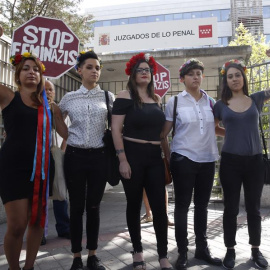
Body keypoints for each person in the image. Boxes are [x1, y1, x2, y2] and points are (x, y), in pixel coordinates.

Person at [0, 52, 67, 270]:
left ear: (41, 76)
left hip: (42, 169)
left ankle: (29, 266)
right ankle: (14, 267)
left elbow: (65, 134)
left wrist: (57, 113)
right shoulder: (9, 96)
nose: (32, 72)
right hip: (13, 168)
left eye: (36, 69)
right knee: (17, 225)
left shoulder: (48, 105)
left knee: (37, 221)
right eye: (26, 68)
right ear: (18, 75)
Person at [111, 52, 173, 270]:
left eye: (148, 70)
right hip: (132, 156)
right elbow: (116, 129)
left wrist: (168, 157)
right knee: (133, 205)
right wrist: (122, 160)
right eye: (141, 70)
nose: (145, 73)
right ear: (132, 73)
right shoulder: (124, 96)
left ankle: (163, 255)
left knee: (160, 208)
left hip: (155, 158)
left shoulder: (156, 99)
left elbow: (162, 134)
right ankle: (137, 253)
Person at [162, 58, 223, 270]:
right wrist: (169, 157)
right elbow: (164, 134)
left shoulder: (211, 102)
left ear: (202, 76)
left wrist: (240, 132)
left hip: (207, 159)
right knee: (181, 207)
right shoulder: (175, 102)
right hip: (183, 159)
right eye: (191, 74)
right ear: (182, 79)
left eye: (198, 73)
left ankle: (202, 249)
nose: (195, 77)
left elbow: (215, 128)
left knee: (203, 207)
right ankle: (182, 252)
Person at [59, 49, 114, 270]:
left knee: (94, 206)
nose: (94, 71)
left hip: (99, 157)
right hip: (74, 156)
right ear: (79, 70)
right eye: (89, 67)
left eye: (97, 68)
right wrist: (55, 117)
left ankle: (92, 255)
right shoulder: (69, 98)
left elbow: (117, 127)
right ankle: (76, 257)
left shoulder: (108, 97)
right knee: (76, 208)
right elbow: (58, 124)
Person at [214, 59, 270, 269]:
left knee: (253, 209)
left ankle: (256, 250)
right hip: (230, 162)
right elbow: (214, 128)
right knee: (231, 208)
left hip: (254, 162)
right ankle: (230, 250)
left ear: (243, 77)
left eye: (238, 75)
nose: (234, 79)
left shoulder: (256, 99)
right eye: (230, 76)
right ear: (225, 80)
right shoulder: (220, 105)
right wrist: (232, 134)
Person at [40, 80, 70, 246]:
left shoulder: (57, 109)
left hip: (56, 153)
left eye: (50, 89)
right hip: (39, 156)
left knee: (60, 192)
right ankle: (41, 232)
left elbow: (66, 133)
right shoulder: (35, 108)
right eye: (44, 89)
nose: (48, 92)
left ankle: (64, 227)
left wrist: (62, 152)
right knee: (41, 195)